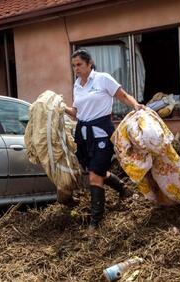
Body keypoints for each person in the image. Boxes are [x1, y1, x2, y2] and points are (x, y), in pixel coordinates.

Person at [65, 49, 143, 228]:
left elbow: (122, 95)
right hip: (84, 136)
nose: (76, 69)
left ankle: (96, 221)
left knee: (94, 175)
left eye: (79, 65)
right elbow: (77, 113)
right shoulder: (77, 85)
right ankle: (123, 189)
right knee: (96, 171)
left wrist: (135, 106)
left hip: (102, 134)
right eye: (73, 66)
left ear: (89, 64)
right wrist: (60, 107)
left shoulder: (103, 79)